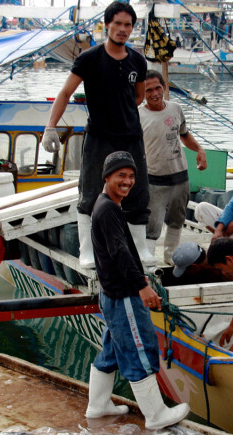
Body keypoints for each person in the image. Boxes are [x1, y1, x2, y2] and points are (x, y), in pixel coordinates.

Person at [42, 1, 153, 269]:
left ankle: (140, 250)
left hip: (130, 136)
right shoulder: (89, 59)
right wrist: (50, 127)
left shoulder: (137, 60)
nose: (123, 29)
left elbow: (138, 96)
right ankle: (87, 250)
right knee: (90, 191)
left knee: (137, 191)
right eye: (118, 24)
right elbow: (65, 93)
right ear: (107, 25)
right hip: (99, 136)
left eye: (128, 25)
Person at [86, 151, 190, 430]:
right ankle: (156, 415)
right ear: (106, 176)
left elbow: (118, 252)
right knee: (138, 349)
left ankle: (97, 405)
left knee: (111, 351)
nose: (127, 181)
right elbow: (120, 253)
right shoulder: (107, 209)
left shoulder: (106, 205)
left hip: (111, 295)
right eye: (121, 175)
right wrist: (142, 287)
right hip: (123, 296)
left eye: (131, 176)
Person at [139, 70, 207, 264]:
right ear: (143, 93)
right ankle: (148, 261)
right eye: (148, 90)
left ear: (164, 87)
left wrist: (200, 150)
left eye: (158, 88)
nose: (154, 93)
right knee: (152, 225)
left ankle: (171, 258)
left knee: (177, 219)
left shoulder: (176, 109)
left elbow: (184, 135)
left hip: (180, 177)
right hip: (154, 179)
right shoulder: (138, 115)